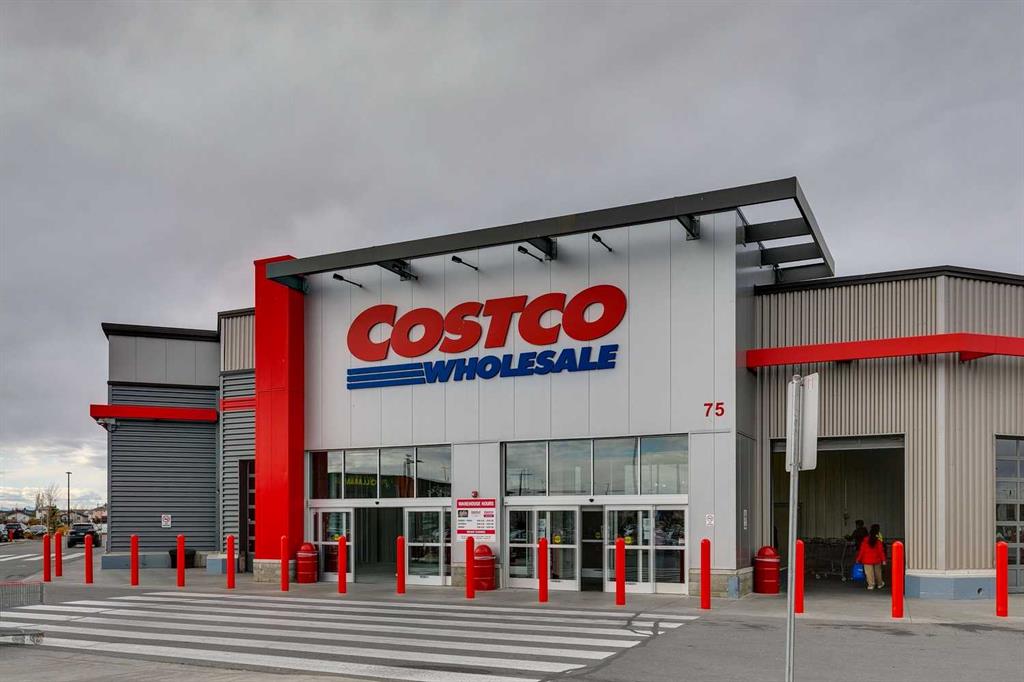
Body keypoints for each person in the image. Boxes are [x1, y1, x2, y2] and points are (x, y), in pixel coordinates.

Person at [855, 523, 887, 590]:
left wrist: (858, 559)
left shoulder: (865, 540)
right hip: (877, 559)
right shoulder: (878, 540)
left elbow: (862, 551)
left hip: (867, 559)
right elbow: (881, 551)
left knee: (869, 573)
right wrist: (883, 560)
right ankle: (879, 584)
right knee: (878, 573)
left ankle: (871, 585)